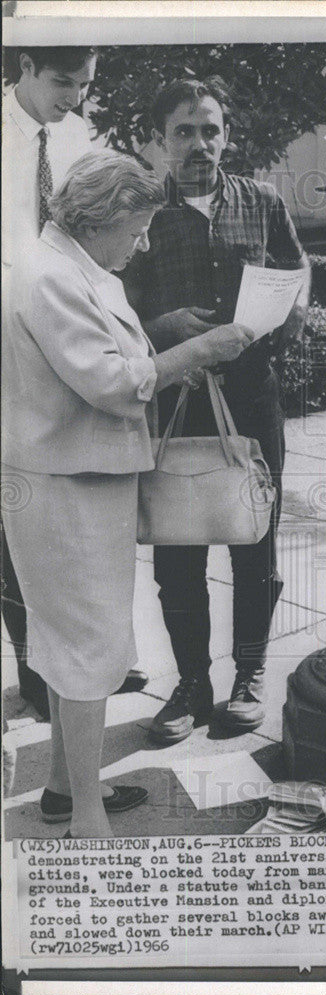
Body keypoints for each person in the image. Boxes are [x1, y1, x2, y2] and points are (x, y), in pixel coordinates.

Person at [1, 150, 257, 836]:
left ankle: (63, 789)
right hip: (65, 488)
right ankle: (86, 819)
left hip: (76, 479)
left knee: (70, 646)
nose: (143, 243)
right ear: (100, 217)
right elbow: (112, 383)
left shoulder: (74, 266)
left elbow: (111, 357)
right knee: (88, 652)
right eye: (137, 228)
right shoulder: (54, 276)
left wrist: (164, 342)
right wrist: (193, 354)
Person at [121, 77, 311, 745]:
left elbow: (294, 274)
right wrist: (164, 324)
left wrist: (278, 321)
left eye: (210, 129)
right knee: (178, 549)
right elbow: (117, 306)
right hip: (176, 400)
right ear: (159, 141)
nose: (199, 144)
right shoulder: (142, 210)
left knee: (254, 540)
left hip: (251, 398)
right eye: (184, 132)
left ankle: (249, 676)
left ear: (226, 134)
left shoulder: (260, 201)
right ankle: (192, 683)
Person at [1, 44, 147, 715]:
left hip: (58, 346)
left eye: (85, 85)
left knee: (57, 541)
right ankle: (49, 681)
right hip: (16, 340)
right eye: (63, 81)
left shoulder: (73, 140)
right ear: (23, 65)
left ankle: (71, 681)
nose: (74, 98)